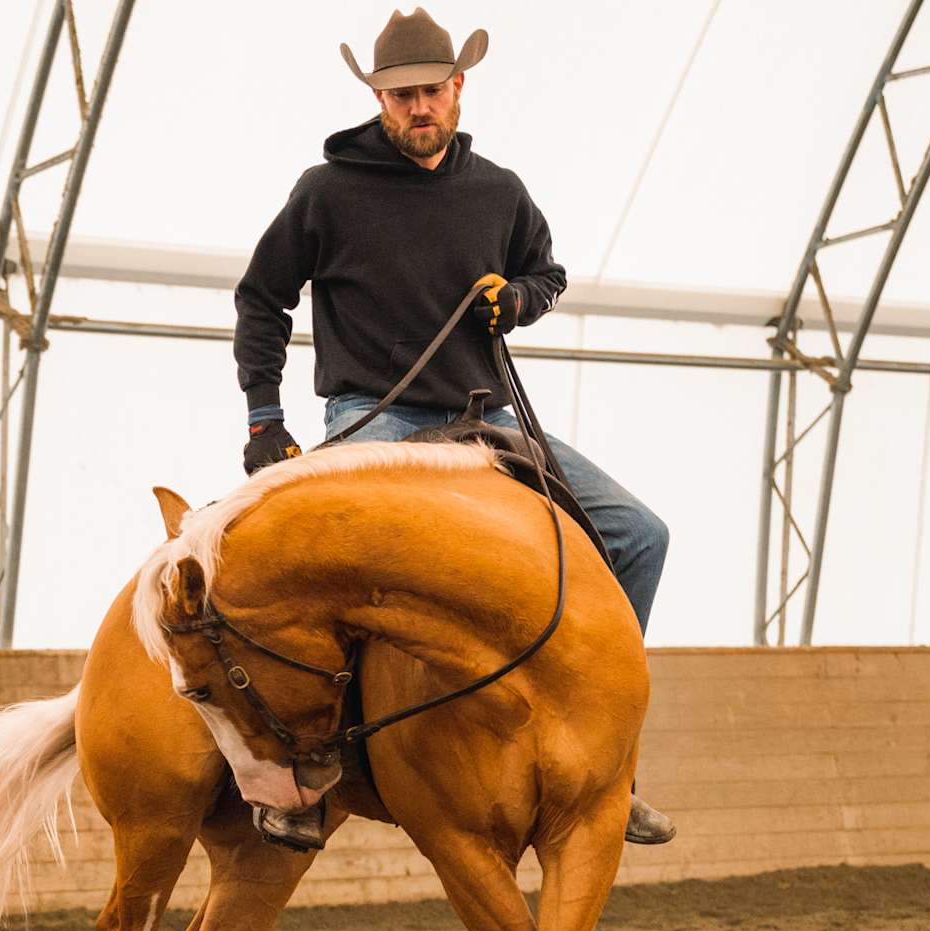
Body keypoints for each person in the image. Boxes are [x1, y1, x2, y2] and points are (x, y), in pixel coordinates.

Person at [232, 8, 675, 846]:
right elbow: (262, 298)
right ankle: (307, 778)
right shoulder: (326, 192)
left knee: (639, 535)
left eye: (430, 91)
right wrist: (264, 419)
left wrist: (519, 301)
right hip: (374, 419)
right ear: (378, 97)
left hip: (486, 421)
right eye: (399, 96)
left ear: (458, 88)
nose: (416, 108)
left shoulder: (498, 191)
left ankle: (610, 756)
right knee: (315, 563)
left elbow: (548, 272)